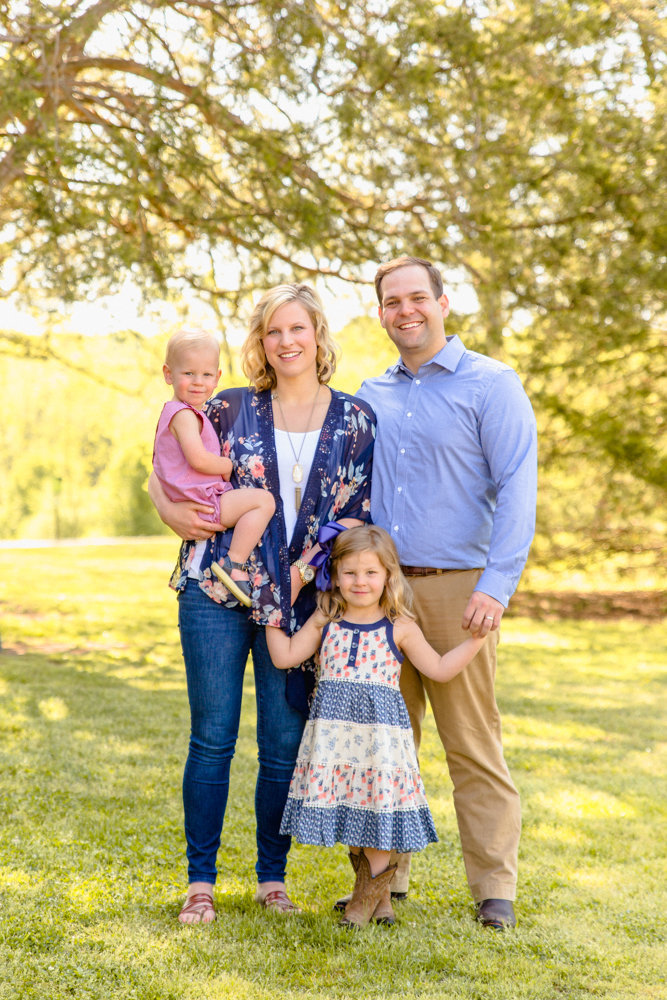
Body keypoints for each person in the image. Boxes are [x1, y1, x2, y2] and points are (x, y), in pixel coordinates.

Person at [148, 284, 375, 924]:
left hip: (298, 602)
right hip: (214, 589)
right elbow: (166, 468)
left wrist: (305, 572)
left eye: (297, 328)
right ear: (261, 341)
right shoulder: (227, 406)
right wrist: (165, 509)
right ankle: (201, 882)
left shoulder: (356, 420)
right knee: (212, 739)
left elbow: (354, 515)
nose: (286, 341)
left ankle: (272, 878)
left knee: (282, 744)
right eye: (274, 331)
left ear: (317, 335)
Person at [356, 255, 537, 931]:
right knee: (388, 740)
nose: (404, 310)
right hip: (382, 593)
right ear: (379, 313)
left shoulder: (490, 384)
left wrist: (496, 585)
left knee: (471, 743)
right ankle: (385, 876)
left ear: (441, 301)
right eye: (390, 302)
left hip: (460, 590)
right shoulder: (371, 393)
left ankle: (493, 886)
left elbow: (518, 485)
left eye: (415, 298)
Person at [266, 524, 487, 929]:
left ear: (389, 575)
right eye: (349, 573)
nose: (360, 582)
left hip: (380, 744)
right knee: (354, 812)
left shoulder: (399, 625)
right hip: (336, 743)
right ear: (335, 574)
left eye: (371, 573)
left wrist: (474, 642)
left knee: (377, 813)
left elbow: (437, 669)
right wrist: (270, 615)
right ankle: (379, 900)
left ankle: (360, 905)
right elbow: (286, 656)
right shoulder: (326, 617)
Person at [153, 328, 276, 606]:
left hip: (202, 500)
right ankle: (234, 563)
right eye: (188, 374)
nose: (198, 382)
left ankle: (233, 562)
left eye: (206, 375)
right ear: (168, 374)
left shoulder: (186, 411)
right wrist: (227, 465)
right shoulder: (183, 415)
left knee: (260, 502)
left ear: (217, 377)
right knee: (264, 502)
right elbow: (197, 458)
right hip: (206, 503)